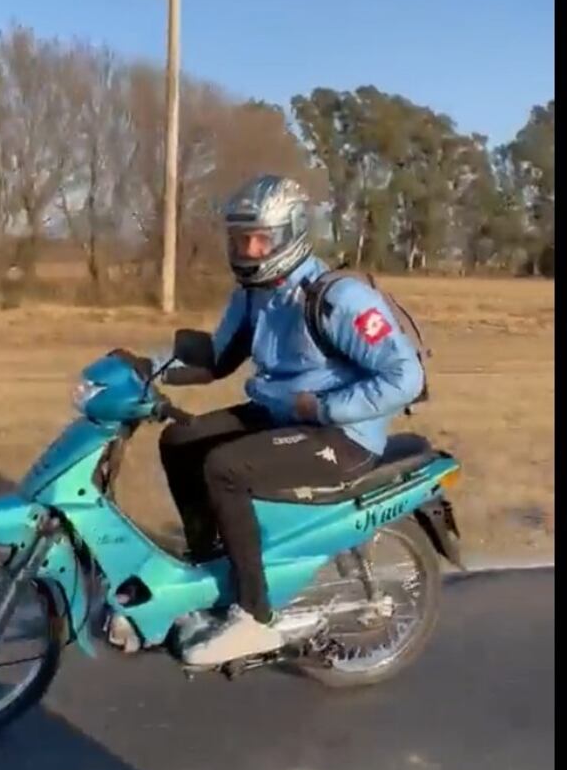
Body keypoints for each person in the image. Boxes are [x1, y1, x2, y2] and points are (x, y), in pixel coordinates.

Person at [142, 174, 425, 666]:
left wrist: (323, 408)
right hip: (281, 415)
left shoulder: (338, 300)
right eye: (239, 239)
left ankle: (254, 617)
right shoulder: (254, 295)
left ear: (292, 233)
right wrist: (149, 369)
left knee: (224, 468)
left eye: (258, 239)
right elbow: (217, 359)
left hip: (341, 433)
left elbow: (406, 377)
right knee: (180, 440)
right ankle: (213, 576)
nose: (247, 250)